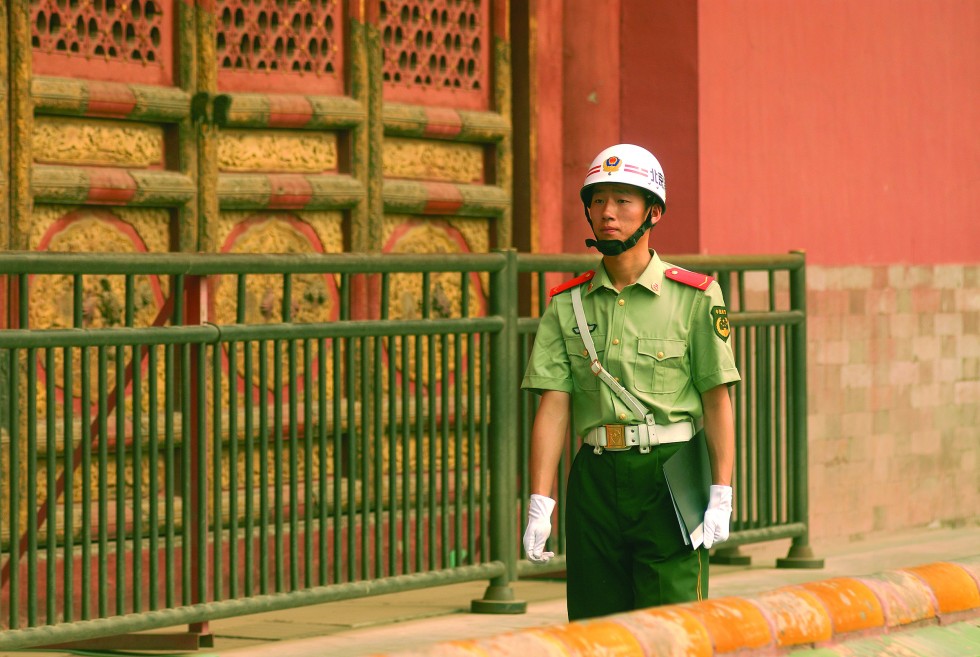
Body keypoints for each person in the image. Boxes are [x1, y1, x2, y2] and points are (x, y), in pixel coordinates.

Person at [520, 143, 741, 621]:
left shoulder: (695, 298)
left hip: (668, 475)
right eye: (598, 201)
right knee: (596, 630)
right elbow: (554, 405)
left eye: (623, 200)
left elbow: (717, 399)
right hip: (595, 476)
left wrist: (721, 492)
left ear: (653, 212)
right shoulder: (567, 304)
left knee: (673, 628)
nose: (607, 213)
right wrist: (541, 499)